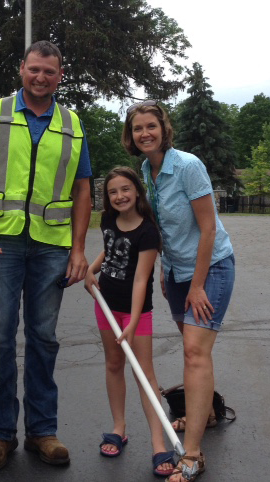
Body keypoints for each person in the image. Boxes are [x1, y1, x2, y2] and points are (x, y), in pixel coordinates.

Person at [0, 40, 92, 473]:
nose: (41, 78)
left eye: (49, 72)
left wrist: (79, 247)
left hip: (52, 246)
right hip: (1, 242)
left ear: (60, 75)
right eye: (34, 69)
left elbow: (83, 188)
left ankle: (42, 432)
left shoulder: (72, 123)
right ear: (22, 69)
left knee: (43, 339)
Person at [122, 101, 235, 482]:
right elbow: (158, 229)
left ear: (163, 127)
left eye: (151, 126)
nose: (145, 134)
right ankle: (212, 412)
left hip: (211, 268)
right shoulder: (145, 171)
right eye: (138, 129)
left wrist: (198, 284)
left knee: (194, 352)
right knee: (193, 347)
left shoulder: (187, 166)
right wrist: (165, 270)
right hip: (176, 273)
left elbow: (208, 229)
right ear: (132, 136)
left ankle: (193, 453)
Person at [84, 167, 176, 477]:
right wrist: (91, 271)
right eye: (113, 192)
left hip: (136, 312)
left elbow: (140, 278)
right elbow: (110, 252)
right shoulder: (108, 219)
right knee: (113, 365)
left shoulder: (148, 231)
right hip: (106, 306)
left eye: (125, 189)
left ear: (136, 191)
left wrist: (134, 320)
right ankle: (119, 428)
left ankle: (158, 443)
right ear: (107, 197)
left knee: (144, 374)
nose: (120, 196)